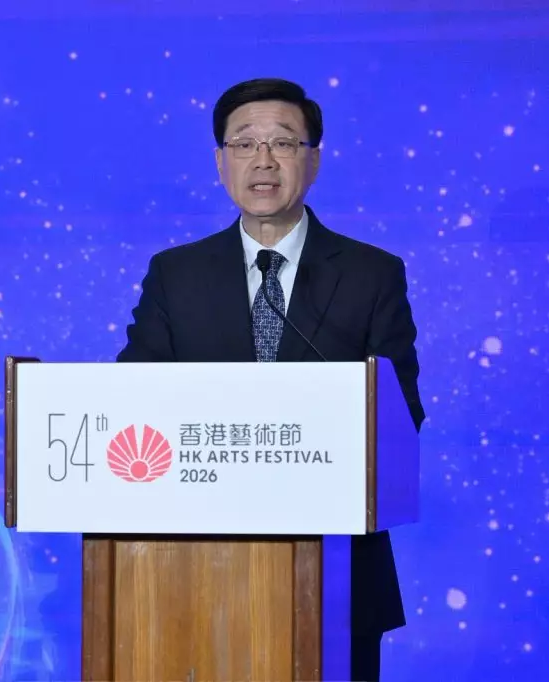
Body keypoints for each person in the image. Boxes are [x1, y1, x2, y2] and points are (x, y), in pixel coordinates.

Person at [116, 77, 426, 681]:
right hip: (194, 567)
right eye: (244, 144)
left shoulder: (371, 274)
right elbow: (135, 404)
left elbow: (401, 411)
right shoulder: (175, 275)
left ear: (313, 159)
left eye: (283, 143)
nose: (263, 160)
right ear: (220, 162)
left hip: (338, 574)